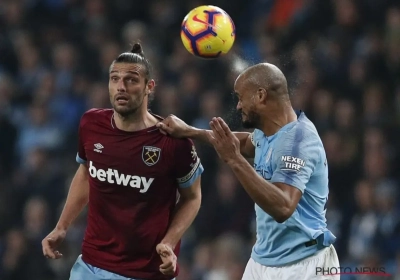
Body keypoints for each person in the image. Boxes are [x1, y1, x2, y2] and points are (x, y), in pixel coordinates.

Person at [157, 63, 340, 280]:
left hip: (304, 264)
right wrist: (190, 131)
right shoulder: (268, 131)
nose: (238, 106)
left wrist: (234, 160)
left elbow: (283, 206)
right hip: (262, 260)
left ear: (261, 96)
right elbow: (242, 143)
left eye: (241, 97)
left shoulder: (298, 141)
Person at [41, 43, 204, 280]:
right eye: (114, 78)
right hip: (91, 265)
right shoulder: (91, 124)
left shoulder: (172, 142)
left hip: (147, 271)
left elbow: (192, 197)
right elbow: (86, 173)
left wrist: (169, 243)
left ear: (149, 86)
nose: (121, 87)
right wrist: (62, 226)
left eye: (131, 80)